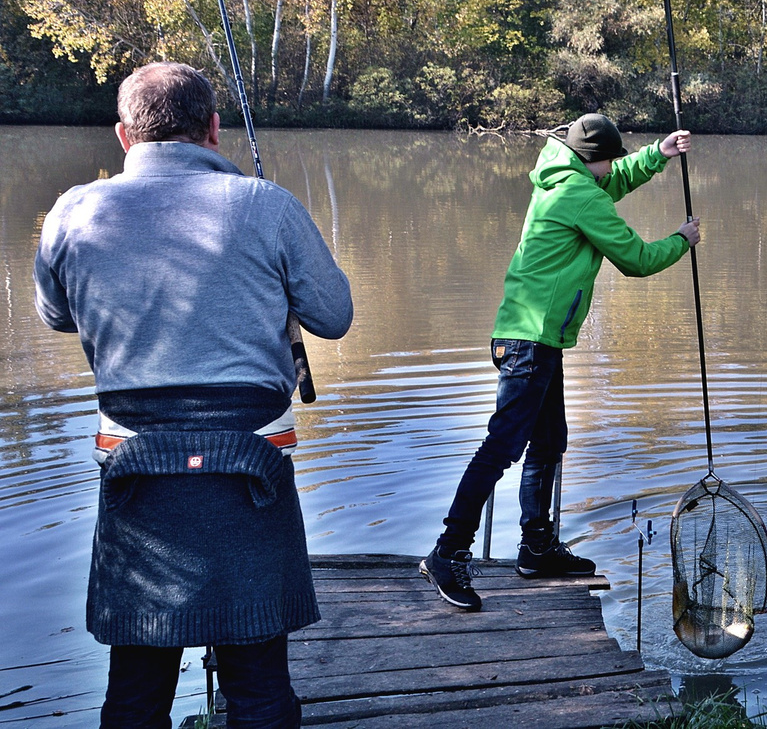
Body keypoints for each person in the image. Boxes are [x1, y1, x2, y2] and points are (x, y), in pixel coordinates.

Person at [33, 62, 353, 729]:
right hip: (251, 471)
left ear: (124, 136)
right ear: (213, 128)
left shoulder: (72, 211)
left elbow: (55, 315)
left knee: (136, 687)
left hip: (136, 473)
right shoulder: (267, 204)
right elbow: (334, 316)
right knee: (260, 683)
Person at [421, 112, 700, 611]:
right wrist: (682, 240)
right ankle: (447, 553)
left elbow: (613, 180)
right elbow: (636, 259)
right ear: (593, 160)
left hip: (533, 337)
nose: (614, 168)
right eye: (610, 160)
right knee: (502, 447)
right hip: (530, 341)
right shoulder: (579, 194)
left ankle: (536, 548)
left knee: (548, 442)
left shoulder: (565, 178)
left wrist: (659, 155)